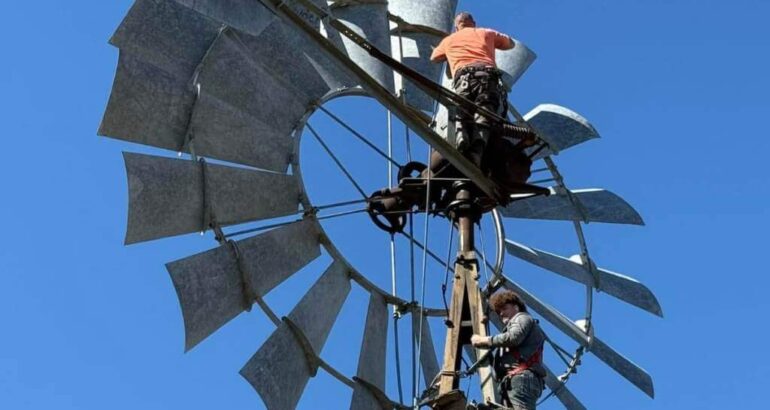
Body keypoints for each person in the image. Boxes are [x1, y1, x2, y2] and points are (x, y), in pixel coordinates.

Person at [430, 12, 517, 169]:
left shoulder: (448, 40)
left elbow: (434, 58)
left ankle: (461, 136)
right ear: (473, 23)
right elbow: (511, 44)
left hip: (462, 78)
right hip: (487, 77)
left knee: (462, 109)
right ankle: (477, 150)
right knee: (485, 113)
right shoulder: (486, 32)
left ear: (457, 26)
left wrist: (449, 54)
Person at [471, 290, 546, 410]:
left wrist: (485, 340)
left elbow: (513, 337)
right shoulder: (515, 326)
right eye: (499, 311)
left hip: (521, 378)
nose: (501, 313)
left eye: (504, 308)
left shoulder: (522, 318)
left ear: (516, 307)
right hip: (512, 381)